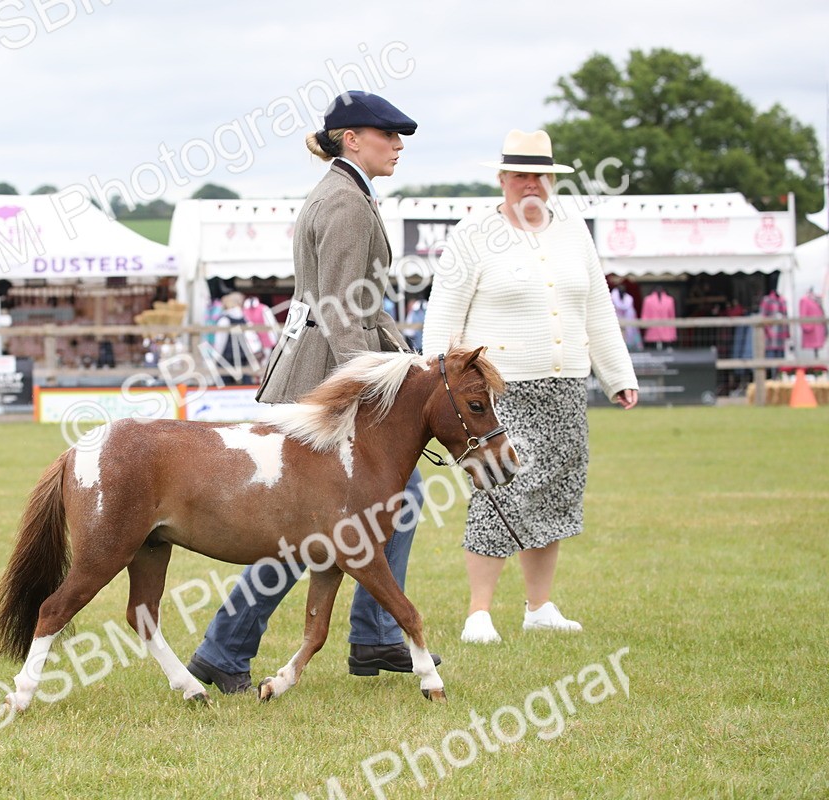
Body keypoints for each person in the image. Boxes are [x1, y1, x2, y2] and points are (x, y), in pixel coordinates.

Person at [186, 90, 434, 694]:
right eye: (388, 136)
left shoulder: (341, 192)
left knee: (324, 520)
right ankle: (359, 635)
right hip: (325, 374)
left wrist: (408, 362)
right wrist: (367, 391)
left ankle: (355, 636)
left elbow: (360, 308)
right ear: (353, 139)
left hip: (312, 367)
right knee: (365, 506)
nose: (397, 147)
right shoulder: (346, 203)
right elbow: (344, 310)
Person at [421, 129, 639, 644]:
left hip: (566, 385)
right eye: (520, 175)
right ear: (502, 179)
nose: (531, 184)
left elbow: (597, 308)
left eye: (540, 175)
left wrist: (618, 375)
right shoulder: (473, 233)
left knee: (556, 491)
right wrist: (437, 379)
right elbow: (444, 314)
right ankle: (479, 614)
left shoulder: (573, 230)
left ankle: (539, 607)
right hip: (498, 393)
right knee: (500, 489)